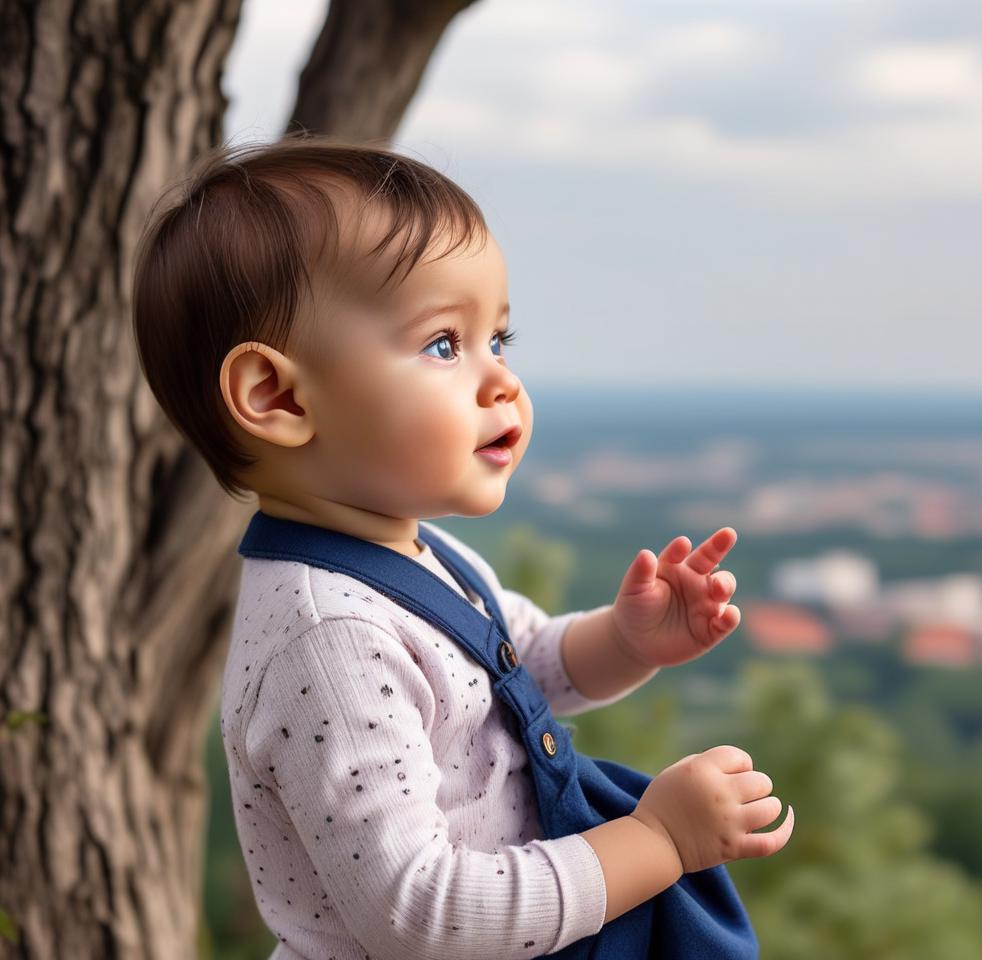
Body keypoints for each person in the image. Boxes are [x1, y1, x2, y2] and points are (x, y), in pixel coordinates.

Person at [131, 134, 794, 959]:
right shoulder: (331, 641)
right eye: (444, 344)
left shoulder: (424, 557)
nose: (501, 380)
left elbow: (524, 669)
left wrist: (625, 642)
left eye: (499, 341)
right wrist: (657, 843)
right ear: (276, 396)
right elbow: (424, 914)